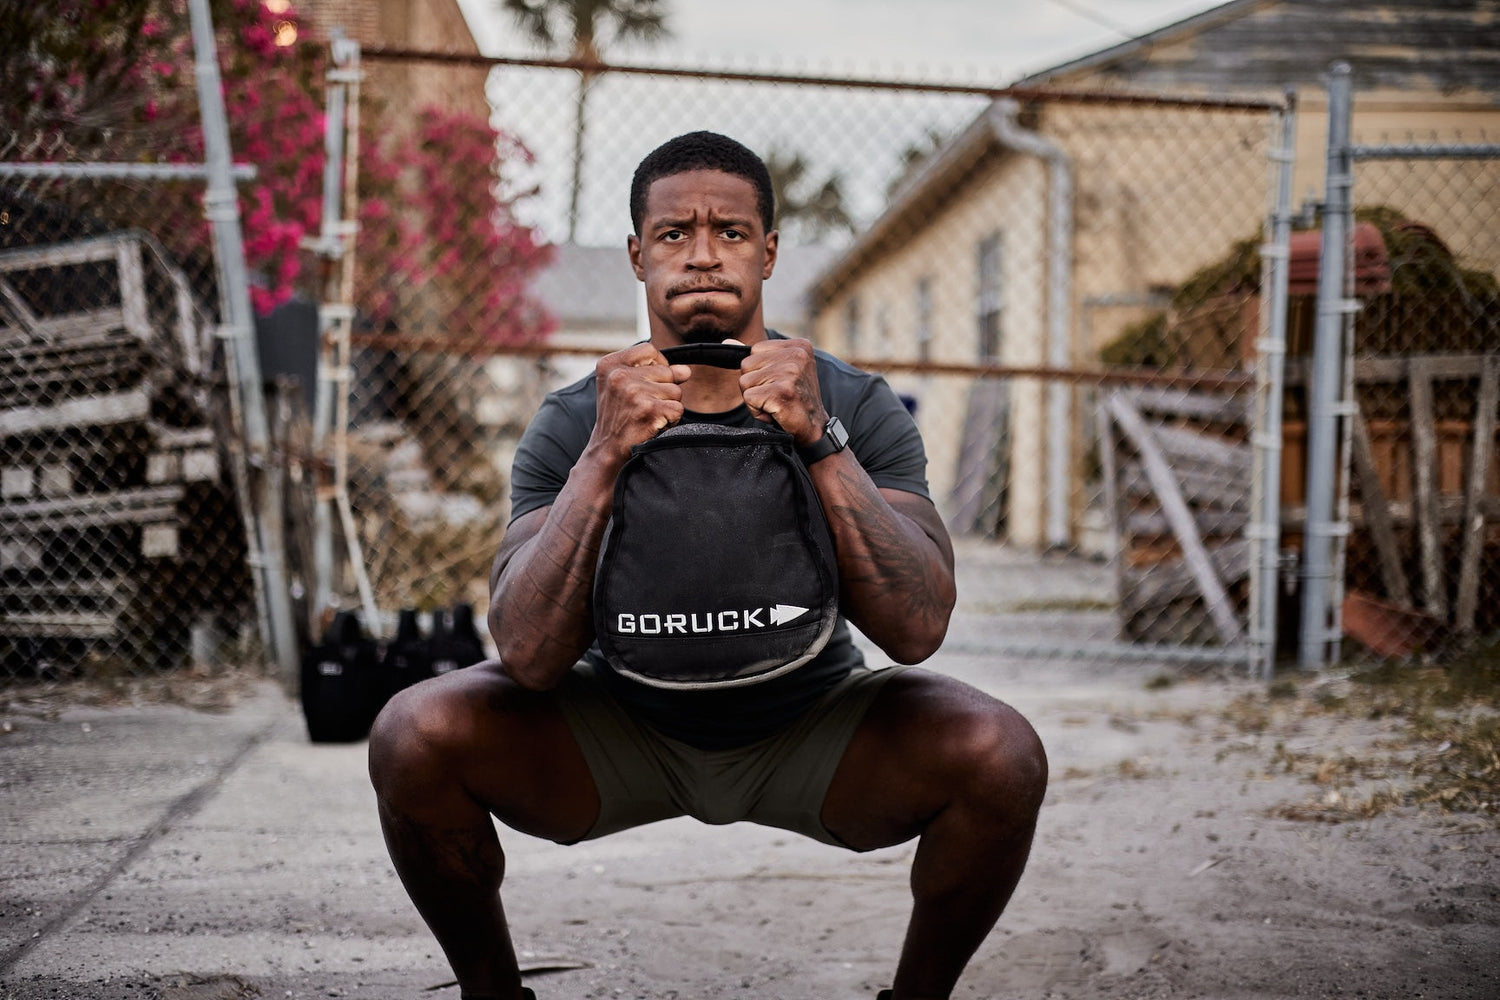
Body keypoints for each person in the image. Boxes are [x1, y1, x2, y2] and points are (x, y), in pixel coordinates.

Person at [368, 131, 1047, 1000]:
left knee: (1000, 752)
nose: (701, 255)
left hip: (811, 722)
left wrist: (818, 438)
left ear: (768, 253)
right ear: (637, 255)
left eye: (730, 232)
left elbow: (916, 629)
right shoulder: (577, 418)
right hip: (621, 724)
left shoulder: (851, 403)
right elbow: (529, 654)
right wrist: (603, 456)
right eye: (673, 233)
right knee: (414, 733)